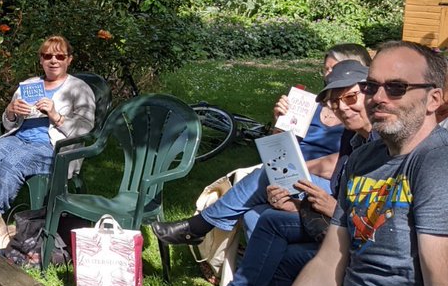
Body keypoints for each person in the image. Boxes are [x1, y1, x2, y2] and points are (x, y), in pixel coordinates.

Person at [179, 41, 448, 286]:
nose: (377, 98)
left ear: (435, 98)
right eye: (372, 86)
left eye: (397, 88)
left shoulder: (436, 163)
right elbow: (329, 263)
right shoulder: (365, 158)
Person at [160, 59, 372, 286]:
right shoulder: (354, 139)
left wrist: (331, 207)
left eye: (351, 97)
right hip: (326, 211)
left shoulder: (383, 144)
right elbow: (282, 148)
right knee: (264, 217)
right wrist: (298, 205)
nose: (342, 107)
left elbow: (378, 216)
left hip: (351, 235)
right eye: (335, 101)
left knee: (268, 216)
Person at [152, 44, 371, 246]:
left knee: (265, 175)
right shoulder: (310, 105)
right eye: (325, 70)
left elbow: (339, 166)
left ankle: (198, 226)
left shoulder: (355, 114)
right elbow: (278, 146)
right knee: (253, 214)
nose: (329, 76)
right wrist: (281, 123)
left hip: (326, 185)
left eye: (335, 69)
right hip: (291, 174)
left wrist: (291, 169)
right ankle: (261, 277)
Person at [0, 36, 96, 249]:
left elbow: (86, 127)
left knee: (14, 161)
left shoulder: (79, 88)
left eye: (60, 56)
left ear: (69, 60)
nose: (53, 60)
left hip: (52, 146)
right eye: (48, 56)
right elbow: (8, 122)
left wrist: (56, 115)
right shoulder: (29, 85)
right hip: (19, 137)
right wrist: (11, 112)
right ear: (41, 60)